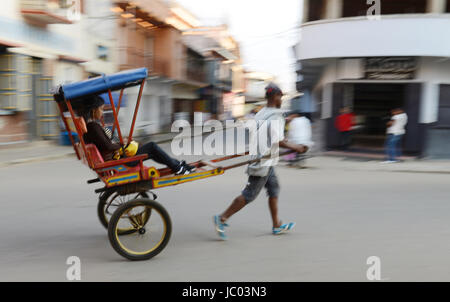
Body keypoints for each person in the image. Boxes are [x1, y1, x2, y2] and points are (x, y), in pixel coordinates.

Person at [213, 83, 308, 240]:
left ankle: (276, 225)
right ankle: (222, 218)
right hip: (262, 162)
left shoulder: (261, 112)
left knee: (274, 189)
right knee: (249, 195)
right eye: (281, 97)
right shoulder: (276, 115)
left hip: (265, 159)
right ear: (275, 96)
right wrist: (297, 147)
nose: (281, 100)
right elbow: (278, 140)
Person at [79, 95, 195, 175]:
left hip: (116, 158)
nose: (102, 112)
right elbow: (108, 147)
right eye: (101, 109)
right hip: (119, 162)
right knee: (152, 146)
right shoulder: (93, 127)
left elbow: (106, 145)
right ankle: (177, 167)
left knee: (148, 148)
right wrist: (122, 146)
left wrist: (121, 144)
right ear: (94, 110)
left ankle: (177, 165)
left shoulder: (92, 126)